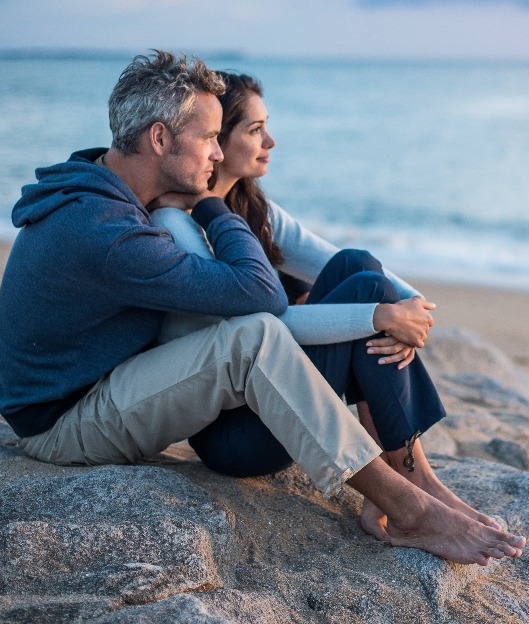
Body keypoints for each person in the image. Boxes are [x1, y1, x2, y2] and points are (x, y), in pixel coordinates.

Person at [0, 50, 525, 566]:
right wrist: (211, 202)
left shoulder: (104, 192)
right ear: (158, 138)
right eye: (206, 138)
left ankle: (411, 481)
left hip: (92, 386)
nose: (219, 154)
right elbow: (262, 295)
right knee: (253, 339)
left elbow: (288, 279)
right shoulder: (109, 231)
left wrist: (391, 306)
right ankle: (409, 507)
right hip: (62, 423)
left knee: (349, 276)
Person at [148, 70, 505, 541]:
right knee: (366, 298)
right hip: (233, 435)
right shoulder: (177, 225)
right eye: (253, 130)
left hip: (280, 401)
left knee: (358, 267)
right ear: (218, 141)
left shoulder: (252, 209)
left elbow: (346, 265)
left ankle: (404, 477)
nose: (270, 141)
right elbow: (257, 334)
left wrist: (411, 312)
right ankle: (407, 478)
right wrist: (380, 316)